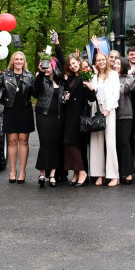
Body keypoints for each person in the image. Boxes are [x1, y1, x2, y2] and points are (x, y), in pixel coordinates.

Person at [0, 51, 35, 183]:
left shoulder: (29, 76)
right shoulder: (5, 75)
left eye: (21, 59)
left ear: (24, 62)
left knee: (23, 140)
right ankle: (12, 171)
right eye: (16, 59)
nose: (18, 61)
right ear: (12, 61)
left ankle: (22, 172)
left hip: (25, 110)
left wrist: (40, 79)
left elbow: (36, 93)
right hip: (11, 110)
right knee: (12, 141)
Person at [87, 51, 120, 186]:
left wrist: (108, 109)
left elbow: (116, 94)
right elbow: (93, 94)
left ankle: (113, 175)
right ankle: (98, 174)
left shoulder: (113, 74)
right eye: (98, 60)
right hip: (96, 107)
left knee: (110, 142)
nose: (101, 62)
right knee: (96, 141)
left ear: (106, 61)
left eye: (103, 60)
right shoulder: (95, 76)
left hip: (108, 108)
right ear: (96, 62)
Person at [33, 57, 65, 187]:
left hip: (58, 117)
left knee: (56, 144)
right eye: (45, 66)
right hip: (43, 115)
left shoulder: (61, 82)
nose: (46, 68)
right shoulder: (42, 80)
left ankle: (52, 174)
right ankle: (41, 174)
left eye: (49, 66)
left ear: (54, 68)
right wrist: (40, 72)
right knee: (45, 143)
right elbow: (35, 90)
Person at [60, 53, 90, 186]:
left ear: (79, 61)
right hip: (69, 113)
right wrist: (66, 97)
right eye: (70, 64)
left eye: (74, 63)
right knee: (70, 143)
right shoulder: (70, 78)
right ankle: (77, 172)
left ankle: (82, 172)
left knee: (73, 143)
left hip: (80, 114)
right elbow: (67, 93)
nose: (72, 66)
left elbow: (91, 97)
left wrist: (91, 88)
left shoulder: (86, 76)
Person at [114, 57, 135, 184]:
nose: (116, 65)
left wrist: (129, 74)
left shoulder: (128, 78)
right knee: (114, 144)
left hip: (125, 115)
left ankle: (127, 172)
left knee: (124, 142)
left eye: (118, 63)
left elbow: (127, 88)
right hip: (111, 115)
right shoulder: (110, 77)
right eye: (114, 63)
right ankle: (116, 171)